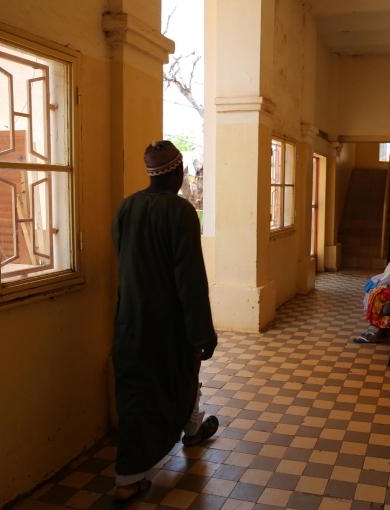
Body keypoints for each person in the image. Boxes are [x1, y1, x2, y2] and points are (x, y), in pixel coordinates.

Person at [111, 140, 218, 507]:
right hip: (167, 326)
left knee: (137, 393)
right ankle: (128, 478)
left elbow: (122, 257)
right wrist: (203, 332)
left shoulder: (127, 208)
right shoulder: (181, 212)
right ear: (177, 172)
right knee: (180, 377)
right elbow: (190, 281)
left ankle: (191, 430)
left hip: (130, 321)